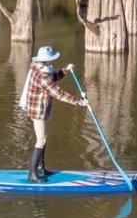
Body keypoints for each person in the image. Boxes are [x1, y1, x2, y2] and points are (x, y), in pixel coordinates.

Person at [18, 45, 87, 181]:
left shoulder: (40, 68)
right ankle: (32, 174)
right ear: (47, 60)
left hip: (41, 107)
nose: (53, 62)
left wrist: (65, 70)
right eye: (51, 59)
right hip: (38, 109)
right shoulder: (42, 76)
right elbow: (58, 93)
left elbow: (53, 77)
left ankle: (40, 168)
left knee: (44, 138)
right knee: (41, 140)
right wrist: (78, 102)